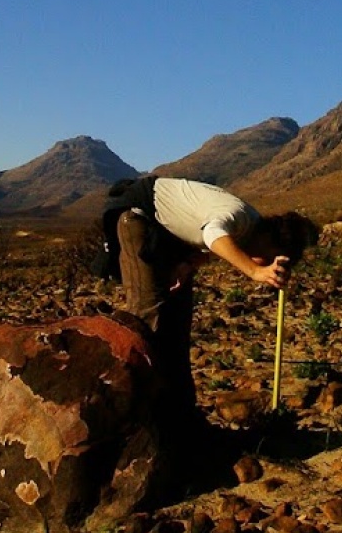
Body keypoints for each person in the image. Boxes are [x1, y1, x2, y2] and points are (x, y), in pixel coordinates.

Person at [106, 175, 318, 435]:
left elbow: (204, 238)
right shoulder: (239, 216)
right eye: (269, 258)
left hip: (166, 233)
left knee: (178, 320)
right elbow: (213, 234)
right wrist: (254, 271)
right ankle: (139, 417)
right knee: (150, 316)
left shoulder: (248, 228)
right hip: (139, 217)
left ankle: (180, 416)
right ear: (269, 240)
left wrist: (187, 265)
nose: (265, 263)